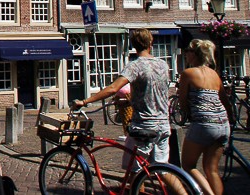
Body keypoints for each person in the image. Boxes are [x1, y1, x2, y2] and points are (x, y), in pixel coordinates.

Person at [74, 29, 171, 169]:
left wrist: (85, 102)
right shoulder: (163, 65)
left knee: (134, 170)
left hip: (144, 126)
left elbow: (113, 88)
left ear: (133, 45)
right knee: (162, 170)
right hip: (163, 124)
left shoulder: (135, 66)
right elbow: (154, 91)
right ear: (151, 43)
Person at [178, 39, 231, 195]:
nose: (185, 54)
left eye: (187, 51)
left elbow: (182, 102)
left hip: (203, 123)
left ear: (194, 54)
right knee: (211, 169)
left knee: (188, 165)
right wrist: (231, 118)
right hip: (222, 123)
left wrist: (187, 114)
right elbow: (224, 100)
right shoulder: (214, 74)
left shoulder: (188, 73)